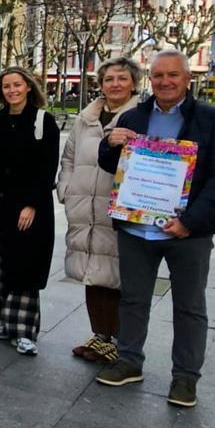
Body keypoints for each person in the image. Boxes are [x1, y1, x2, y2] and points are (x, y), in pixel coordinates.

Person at [96, 50, 215, 408]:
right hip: (136, 229)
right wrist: (109, 143)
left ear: (187, 78)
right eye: (158, 75)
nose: (164, 81)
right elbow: (112, 166)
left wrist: (191, 221)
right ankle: (129, 360)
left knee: (190, 307)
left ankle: (185, 378)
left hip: (188, 233)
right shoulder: (134, 116)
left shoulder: (212, 119)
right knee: (133, 300)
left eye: (172, 75)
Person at [58, 57, 142, 363]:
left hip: (119, 207)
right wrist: (66, 188)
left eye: (122, 78)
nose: (115, 84)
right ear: (101, 84)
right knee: (91, 273)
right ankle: (100, 336)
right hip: (84, 207)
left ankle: (119, 341)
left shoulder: (140, 117)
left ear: (134, 82)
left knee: (117, 275)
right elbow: (68, 158)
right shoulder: (86, 118)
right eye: (109, 79)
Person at [0, 67, 59, 356]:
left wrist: (32, 204)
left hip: (28, 206)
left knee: (24, 266)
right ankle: (5, 322)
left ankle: (24, 330)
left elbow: (48, 167)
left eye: (17, 85)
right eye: (7, 86)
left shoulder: (43, 121)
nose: (12, 90)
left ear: (28, 87)